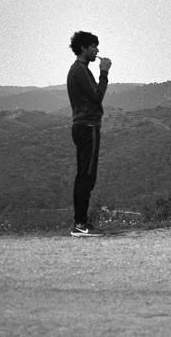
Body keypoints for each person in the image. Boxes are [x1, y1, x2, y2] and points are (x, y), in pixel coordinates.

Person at [67, 31, 112, 237]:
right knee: (87, 176)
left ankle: (81, 223)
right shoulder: (81, 70)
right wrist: (104, 72)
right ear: (84, 48)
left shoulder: (77, 70)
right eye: (93, 46)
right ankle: (80, 224)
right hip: (88, 126)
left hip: (81, 125)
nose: (97, 51)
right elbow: (97, 96)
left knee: (83, 175)